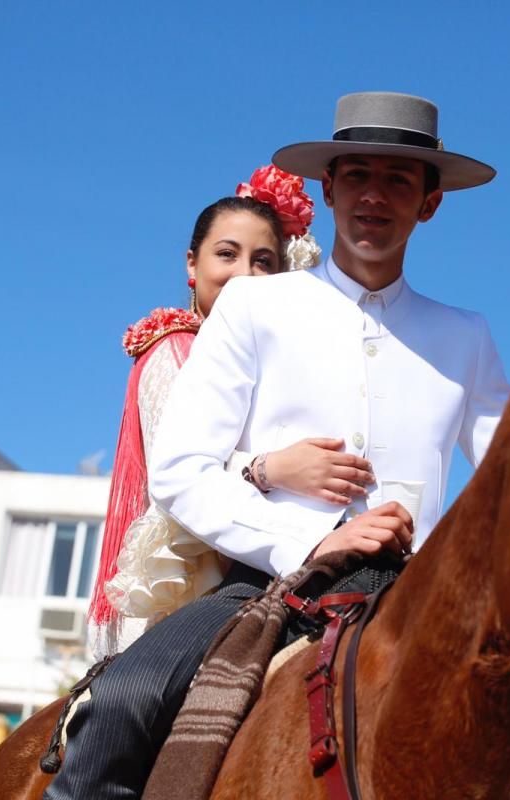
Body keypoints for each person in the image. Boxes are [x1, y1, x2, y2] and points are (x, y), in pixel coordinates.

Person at [44, 91, 510, 800]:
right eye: (357, 176)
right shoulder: (256, 305)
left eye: (398, 180)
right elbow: (179, 469)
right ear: (329, 191)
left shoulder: (467, 336)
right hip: (264, 584)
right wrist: (309, 541)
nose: (374, 198)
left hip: (413, 599)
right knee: (120, 703)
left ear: (430, 202)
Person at [85, 172, 369, 658]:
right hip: (191, 584)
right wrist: (272, 468)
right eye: (227, 254)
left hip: (274, 571)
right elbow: (175, 469)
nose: (245, 274)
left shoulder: (281, 362)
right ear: (191, 264)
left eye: (264, 261)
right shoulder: (178, 348)